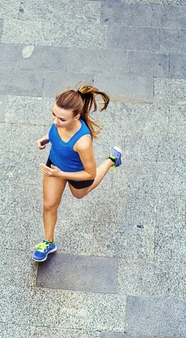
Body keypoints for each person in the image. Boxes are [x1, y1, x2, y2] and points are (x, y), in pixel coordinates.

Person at [32, 85, 122, 262]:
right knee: (49, 205)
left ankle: (112, 160)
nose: (56, 121)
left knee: (79, 194)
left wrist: (62, 175)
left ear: (76, 117)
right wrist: (47, 138)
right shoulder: (60, 120)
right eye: (53, 115)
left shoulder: (83, 142)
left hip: (77, 173)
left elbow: (89, 174)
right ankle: (48, 242)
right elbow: (57, 132)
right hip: (55, 167)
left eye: (62, 119)